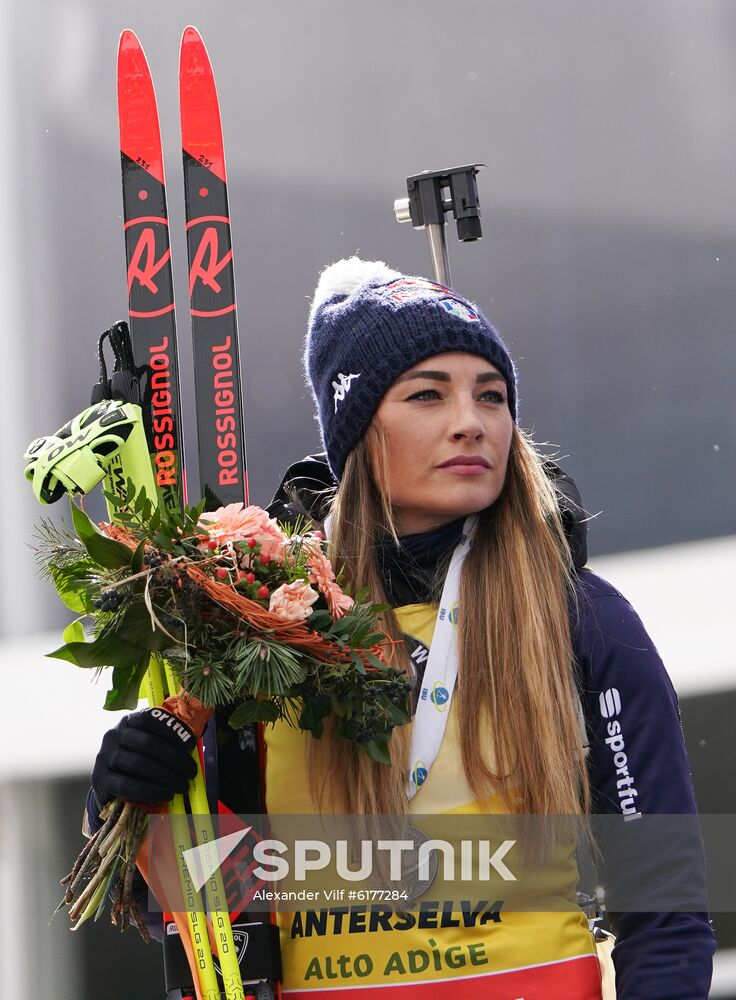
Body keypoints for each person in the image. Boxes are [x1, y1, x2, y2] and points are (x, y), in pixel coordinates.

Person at [87, 257, 715, 998]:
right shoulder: (262, 624)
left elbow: (665, 909)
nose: (471, 422)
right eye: (427, 394)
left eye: (492, 395)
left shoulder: (579, 616)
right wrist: (126, 797)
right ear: (356, 430)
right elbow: (196, 902)